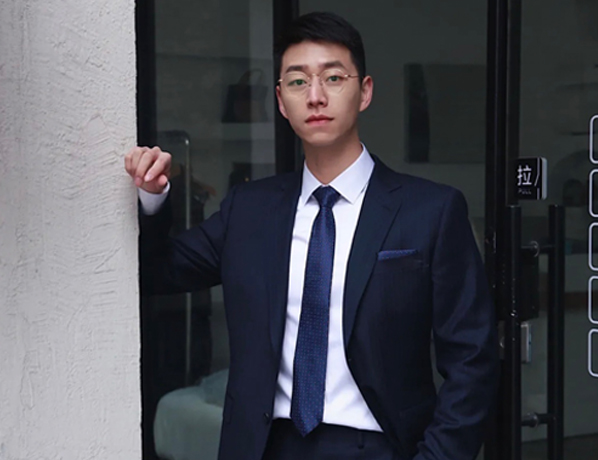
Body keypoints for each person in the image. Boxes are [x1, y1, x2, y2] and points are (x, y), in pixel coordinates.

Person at [125, 11, 498, 460]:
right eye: (298, 82)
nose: (316, 96)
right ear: (282, 101)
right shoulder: (249, 210)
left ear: (365, 91)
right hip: (266, 446)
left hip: (379, 447)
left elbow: (472, 360)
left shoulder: (431, 211)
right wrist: (152, 198)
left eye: (333, 78)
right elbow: (156, 271)